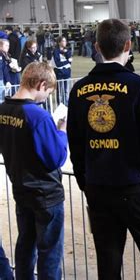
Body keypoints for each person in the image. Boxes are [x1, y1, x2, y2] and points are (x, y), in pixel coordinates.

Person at [67, 19, 140, 279]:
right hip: (133, 187)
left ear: (97, 46)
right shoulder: (139, 87)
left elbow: (75, 143)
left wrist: (84, 181)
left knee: (108, 259)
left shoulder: (79, 90)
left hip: (97, 187)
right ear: (128, 45)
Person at [0, 61, 68, 279]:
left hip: (21, 188)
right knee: (49, 251)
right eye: (48, 92)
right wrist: (61, 132)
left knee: (26, 245)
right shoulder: (38, 116)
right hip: (46, 195)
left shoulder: (2, 110)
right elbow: (55, 157)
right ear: (40, 84)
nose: (46, 97)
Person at [51, 36, 72, 105]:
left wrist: (66, 54)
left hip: (67, 72)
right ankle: (60, 103)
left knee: (66, 90)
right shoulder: (55, 51)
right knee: (60, 90)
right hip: (59, 73)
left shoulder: (68, 50)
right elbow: (58, 64)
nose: (64, 43)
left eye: (65, 41)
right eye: (63, 41)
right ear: (59, 42)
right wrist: (67, 61)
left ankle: (66, 103)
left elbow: (70, 60)